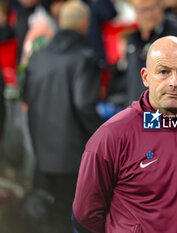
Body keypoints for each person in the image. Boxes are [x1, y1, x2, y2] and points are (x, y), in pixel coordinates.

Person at [72, 36, 177, 233]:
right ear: (146, 77)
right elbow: (85, 215)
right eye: (164, 72)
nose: (174, 82)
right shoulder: (112, 134)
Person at [21, 1, 103, 232]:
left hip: (42, 154)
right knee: (74, 219)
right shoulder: (84, 58)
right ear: (84, 24)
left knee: (49, 217)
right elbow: (84, 104)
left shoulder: (39, 56)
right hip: (74, 158)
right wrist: (102, 136)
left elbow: (25, 95)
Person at [118, 0, 177, 105]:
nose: (148, 15)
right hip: (136, 111)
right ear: (135, 13)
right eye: (142, 10)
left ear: (161, 7)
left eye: (151, 8)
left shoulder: (176, 36)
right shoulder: (133, 40)